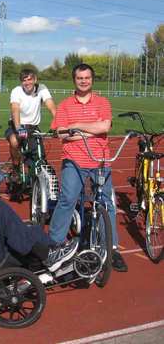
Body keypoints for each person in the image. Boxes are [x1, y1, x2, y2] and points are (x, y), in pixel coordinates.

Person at [49, 63, 128, 272]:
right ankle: (54, 244)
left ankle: (111, 248)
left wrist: (78, 126)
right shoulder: (65, 105)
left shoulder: (102, 102)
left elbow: (105, 126)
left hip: (100, 160)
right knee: (67, 200)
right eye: (79, 78)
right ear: (74, 80)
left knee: (106, 203)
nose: (83, 81)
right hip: (73, 160)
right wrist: (92, 129)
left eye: (87, 78)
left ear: (92, 80)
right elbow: (61, 133)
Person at [5, 69, 56, 166]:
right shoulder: (17, 91)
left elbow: (50, 105)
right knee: (14, 141)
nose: (27, 83)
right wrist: (19, 128)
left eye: (30, 79)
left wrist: (58, 123)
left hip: (33, 127)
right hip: (16, 125)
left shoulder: (42, 88)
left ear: (35, 79)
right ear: (21, 82)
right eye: (24, 80)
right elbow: (15, 109)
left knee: (39, 156)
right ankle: (15, 167)